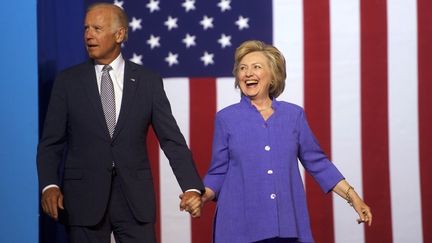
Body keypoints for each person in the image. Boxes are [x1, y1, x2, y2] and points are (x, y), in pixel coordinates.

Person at [37, 3, 203, 243]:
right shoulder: (68, 82)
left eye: (96, 28)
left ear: (120, 34)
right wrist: (49, 185)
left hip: (134, 200)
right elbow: (51, 143)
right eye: (86, 28)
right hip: (83, 199)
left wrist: (190, 187)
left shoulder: (148, 81)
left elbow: (171, 140)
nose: (88, 35)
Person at [198, 40, 372, 242]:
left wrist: (354, 198)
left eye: (256, 67)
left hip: (286, 226)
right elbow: (218, 172)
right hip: (238, 227)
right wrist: (200, 197)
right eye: (243, 68)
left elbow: (318, 163)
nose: (248, 73)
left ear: (273, 76)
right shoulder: (226, 118)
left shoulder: (293, 115)